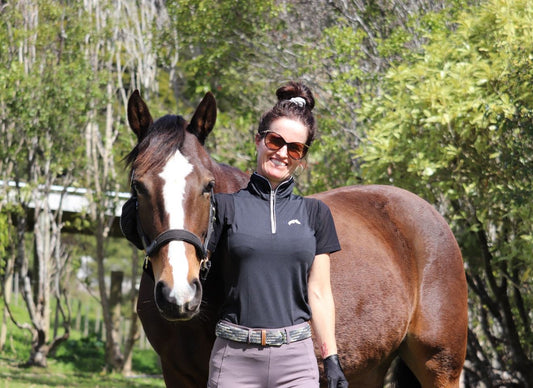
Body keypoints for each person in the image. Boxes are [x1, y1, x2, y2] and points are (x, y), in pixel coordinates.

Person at [206, 81, 348, 388]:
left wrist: (331, 359)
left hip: (295, 361)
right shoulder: (222, 207)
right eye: (275, 141)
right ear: (258, 140)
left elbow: (320, 293)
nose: (282, 153)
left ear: (303, 157)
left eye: (295, 148)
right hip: (234, 357)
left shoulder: (315, 214)